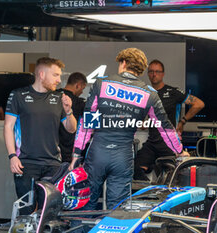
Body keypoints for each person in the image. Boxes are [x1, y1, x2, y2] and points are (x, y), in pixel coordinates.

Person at [69, 48, 188, 210]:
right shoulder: (150, 94)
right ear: (141, 69)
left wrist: (76, 153)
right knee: (117, 209)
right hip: (122, 156)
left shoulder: (101, 84)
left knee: (85, 206)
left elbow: (87, 123)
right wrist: (179, 150)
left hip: (97, 153)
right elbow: (165, 128)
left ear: (123, 63)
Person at [4, 57, 77, 215]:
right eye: (56, 75)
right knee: (26, 212)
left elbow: (71, 129)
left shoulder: (59, 98)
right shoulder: (18, 95)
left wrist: (69, 111)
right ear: (42, 74)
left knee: (49, 213)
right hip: (25, 163)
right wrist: (12, 156)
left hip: (53, 164)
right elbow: (8, 127)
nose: (59, 80)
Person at [134, 59, 204, 181]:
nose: (154, 74)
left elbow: (199, 104)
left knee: (172, 177)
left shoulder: (173, 92)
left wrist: (182, 121)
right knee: (135, 168)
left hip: (170, 144)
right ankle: (150, 195)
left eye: (157, 71)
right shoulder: (147, 94)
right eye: (151, 71)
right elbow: (145, 119)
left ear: (163, 74)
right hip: (152, 142)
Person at [58, 72, 87, 162]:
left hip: (51, 149)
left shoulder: (53, 95)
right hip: (68, 150)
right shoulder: (79, 103)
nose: (82, 92)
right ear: (77, 86)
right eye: (83, 88)